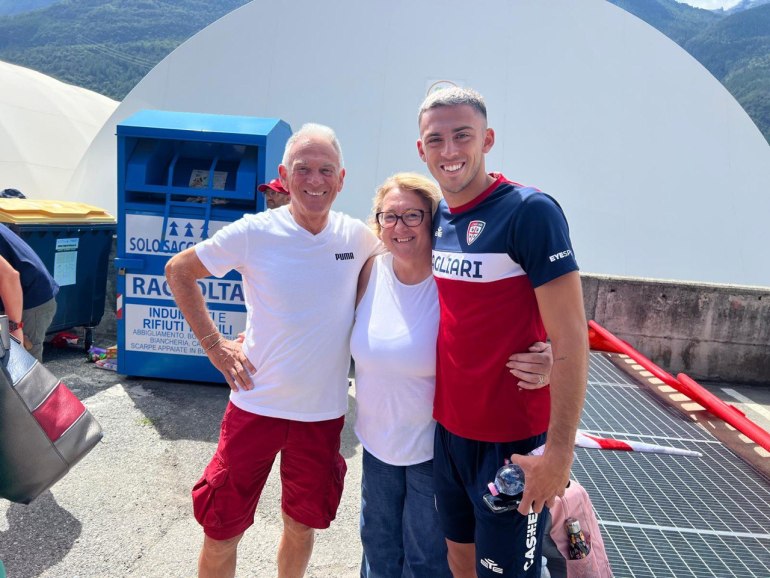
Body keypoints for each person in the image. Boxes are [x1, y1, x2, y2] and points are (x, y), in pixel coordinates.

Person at [165, 123, 382, 578]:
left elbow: (412, 265)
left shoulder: (358, 239)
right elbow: (179, 270)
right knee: (222, 528)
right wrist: (215, 346)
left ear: (341, 179)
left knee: (301, 526)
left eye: (326, 170)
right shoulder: (254, 232)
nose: (315, 180)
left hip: (321, 414)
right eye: (303, 169)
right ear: (284, 176)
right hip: (255, 404)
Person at [416, 87, 589, 577]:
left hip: (514, 441)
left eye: (462, 136)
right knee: (460, 560)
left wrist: (559, 454)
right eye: (436, 140)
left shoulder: (530, 211)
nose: (449, 150)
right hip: (450, 433)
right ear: (422, 150)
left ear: (487, 139)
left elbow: (572, 336)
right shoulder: (439, 216)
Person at [351, 172, 554, 578]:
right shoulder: (369, 271)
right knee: (378, 549)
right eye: (390, 216)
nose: (400, 226)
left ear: (434, 222)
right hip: (377, 446)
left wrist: (548, 355)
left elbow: (509, 317)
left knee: (427, 560)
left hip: (433, 447)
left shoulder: (451, 276)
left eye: (413, 215)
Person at [0, 224, 59, 362]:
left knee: (21, 364)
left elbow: (9, 277)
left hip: (29, 302)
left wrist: (14, 328)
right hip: (14, 295)